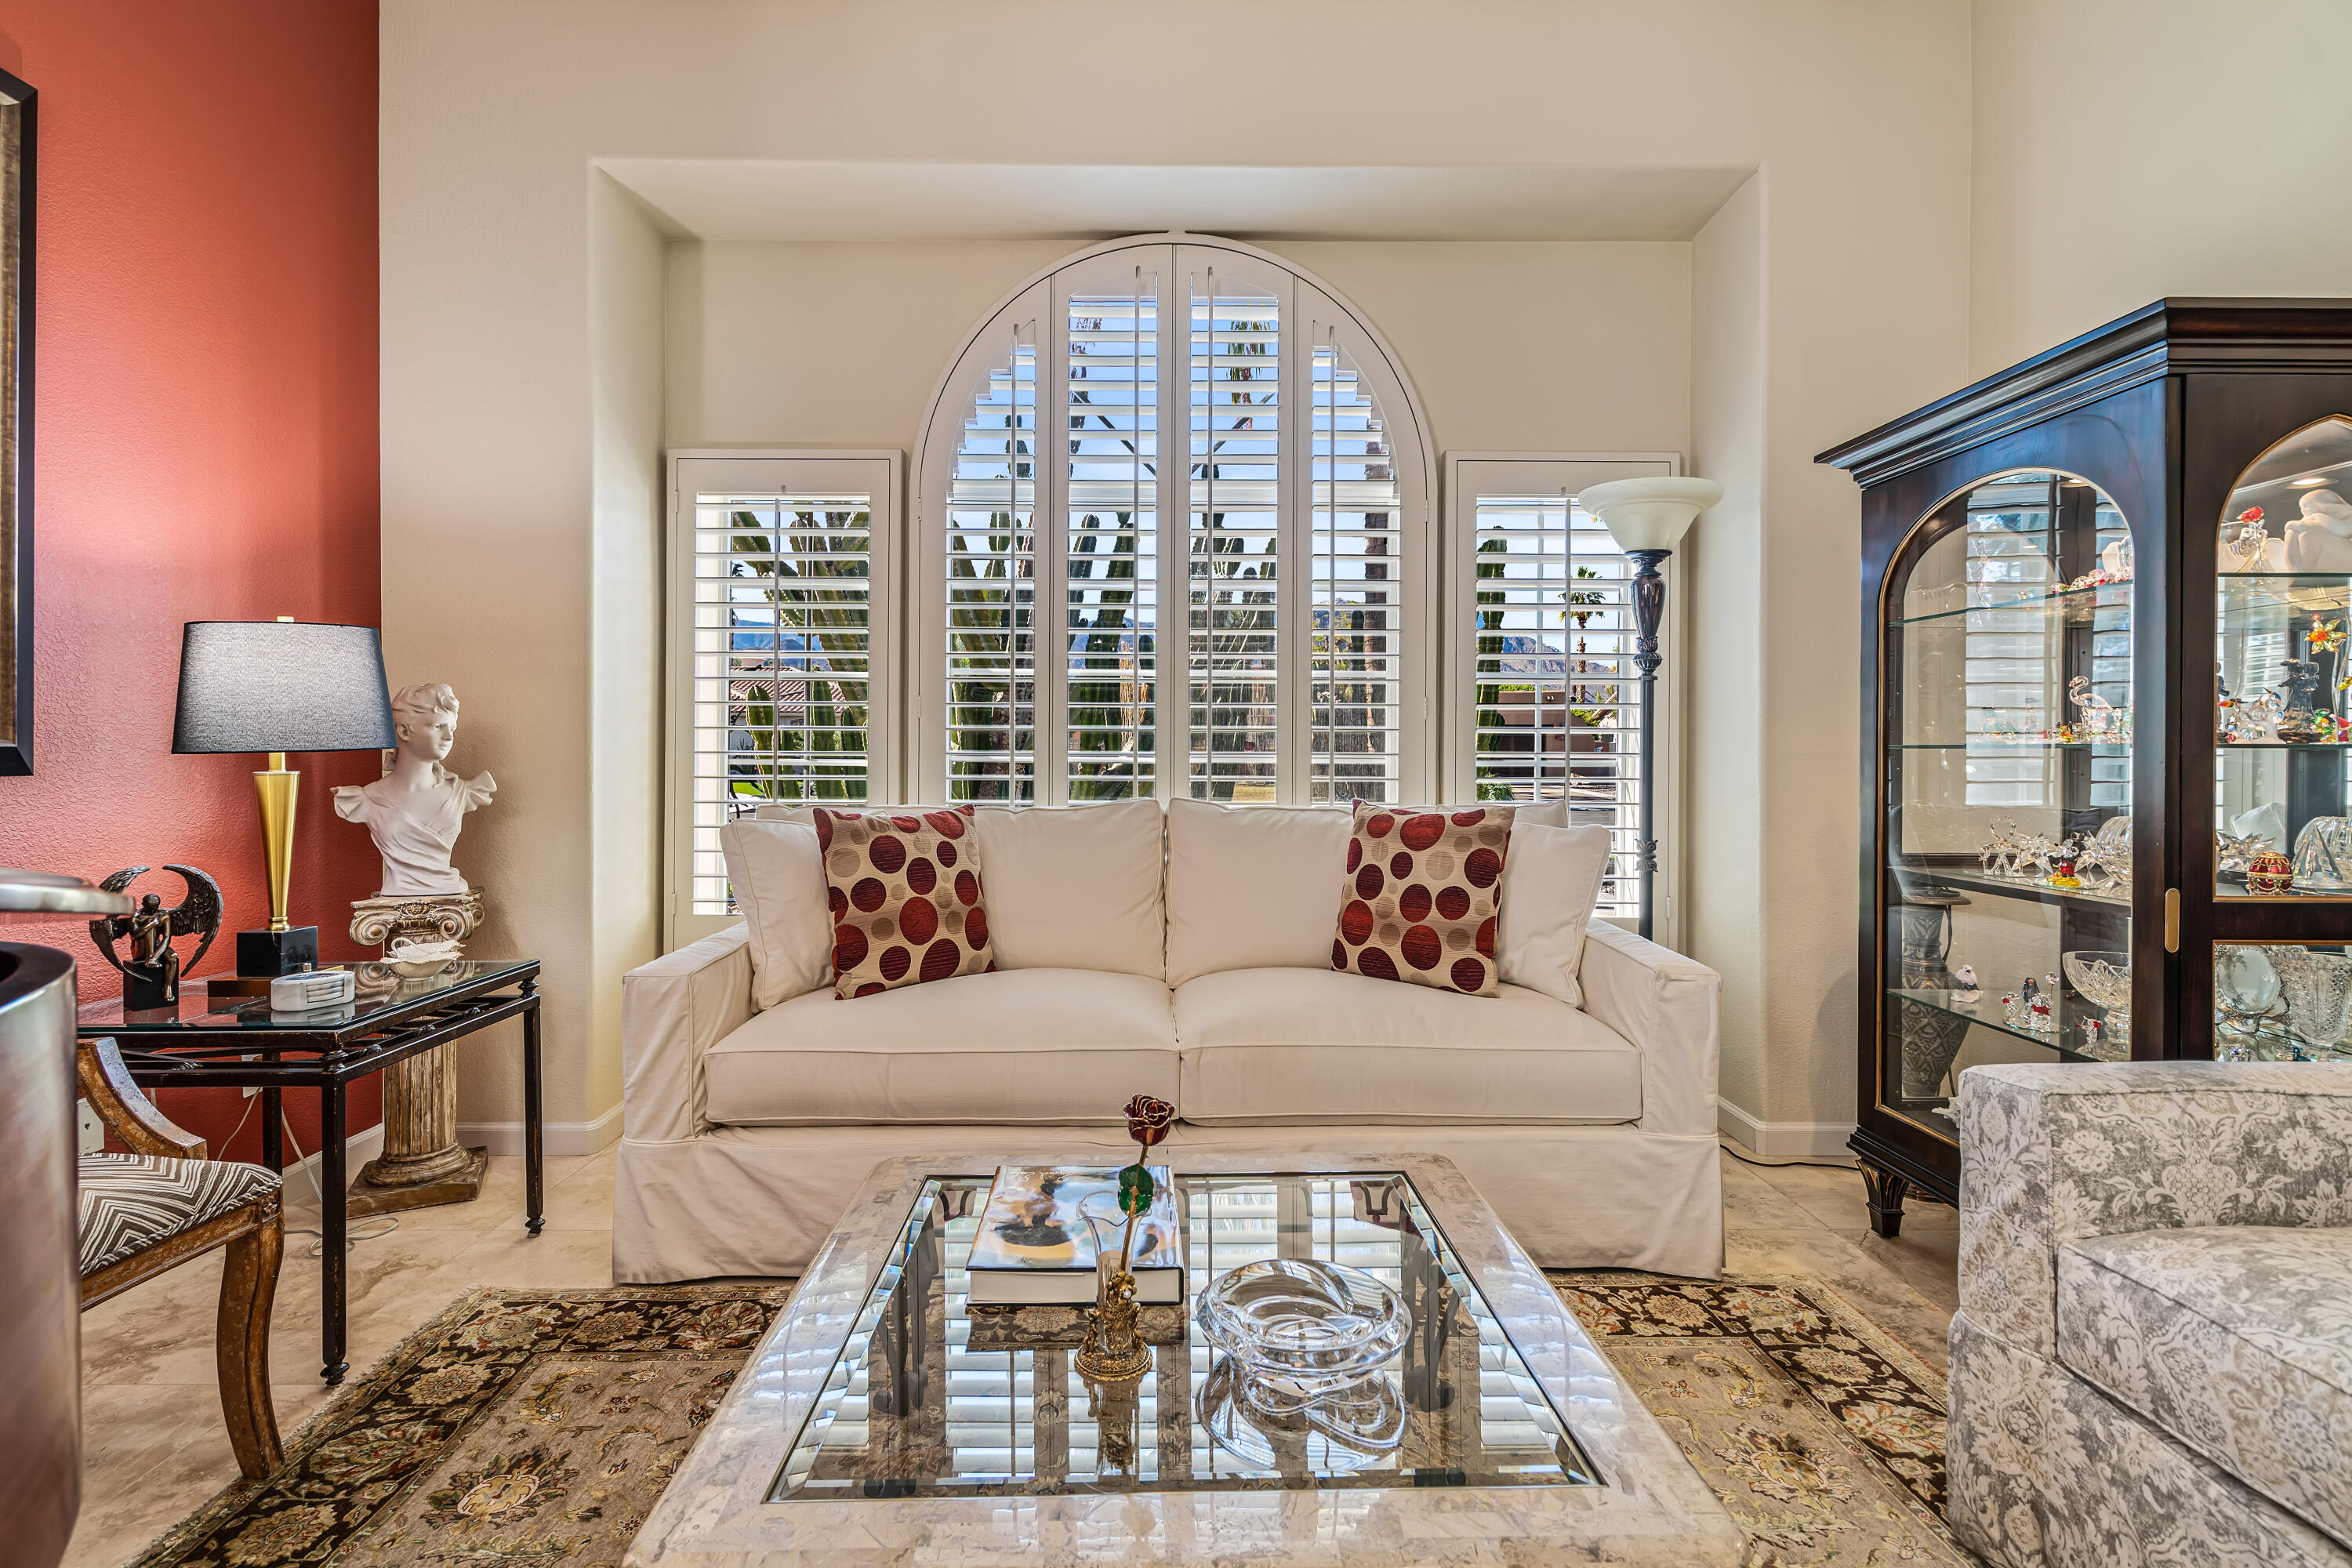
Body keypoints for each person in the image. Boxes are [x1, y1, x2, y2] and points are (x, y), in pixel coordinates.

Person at [334, 683, 495, 896]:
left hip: (450, 894)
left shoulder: (462, 792)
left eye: (452, 729)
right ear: (404, 731)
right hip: (396, 891)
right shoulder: (367, 799)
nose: (449, 737)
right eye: (437, 727)